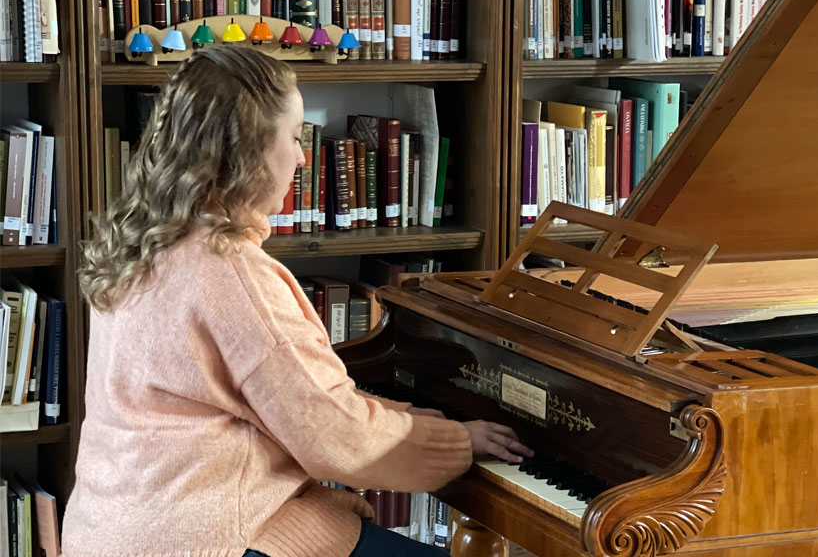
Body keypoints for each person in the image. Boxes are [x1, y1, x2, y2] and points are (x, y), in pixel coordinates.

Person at [62, 46, 533, 557]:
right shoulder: (231, 273)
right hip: (212, 536)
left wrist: (419, 420)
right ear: (247, 151)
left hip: (110, 531)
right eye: (293, 137)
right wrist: (459, 442)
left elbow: (303, 411)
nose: (304, 156)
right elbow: (338, 440)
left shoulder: (143, 243)